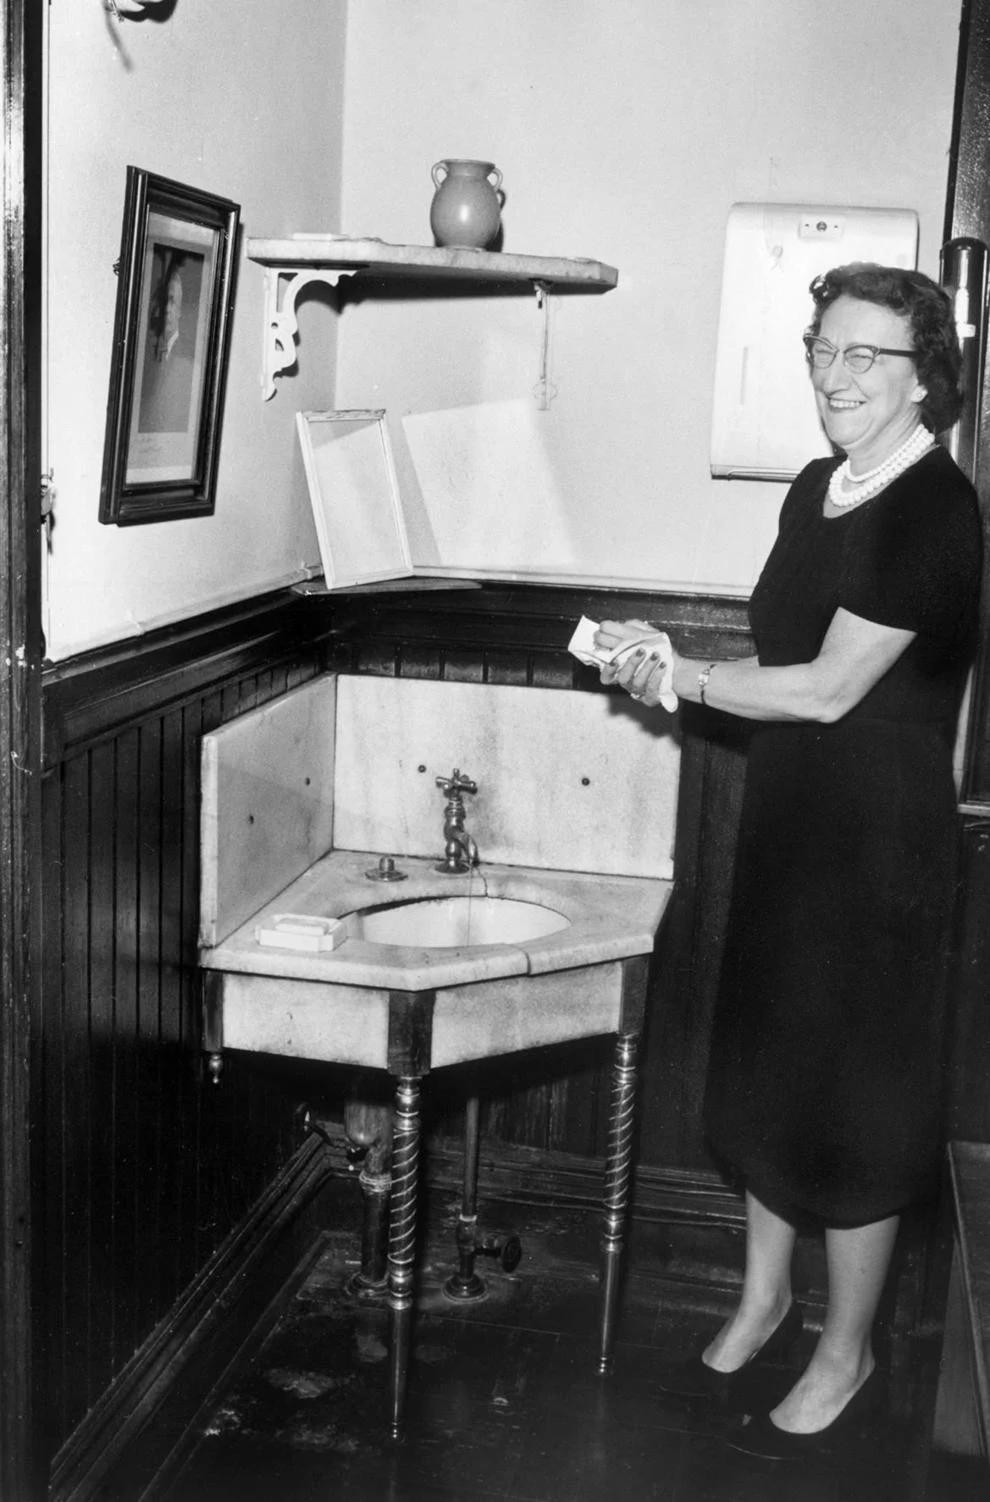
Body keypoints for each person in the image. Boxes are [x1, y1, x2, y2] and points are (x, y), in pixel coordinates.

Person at [595, 262, 983, 1459]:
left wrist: (690, 681)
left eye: (867, 355)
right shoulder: (818, 488)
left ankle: (846, 1344)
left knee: (859, 1105)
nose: (832, 372)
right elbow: (780, 644)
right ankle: (766, 1298)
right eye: (823, 345)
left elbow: (824, 687)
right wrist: (667, 654)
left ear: (930, 380)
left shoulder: (939, 512)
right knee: (772, 1071)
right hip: (789, 824)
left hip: (881, 850)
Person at [138, 250, 197, 434]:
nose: (166, 308)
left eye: (172, 301)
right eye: (163, 300)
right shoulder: (147, 348)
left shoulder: (190, 360)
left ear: (180, 310)